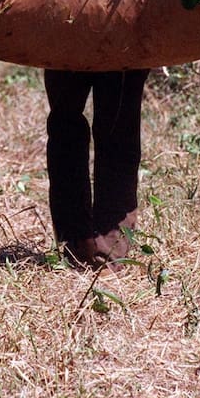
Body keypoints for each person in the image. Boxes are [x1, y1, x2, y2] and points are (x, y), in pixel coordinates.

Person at [44, 68, 152, 269]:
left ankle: (109, 253)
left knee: (118, 128)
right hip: (64, 42)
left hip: (125, 43)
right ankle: (77, 244)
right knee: (65, 125)